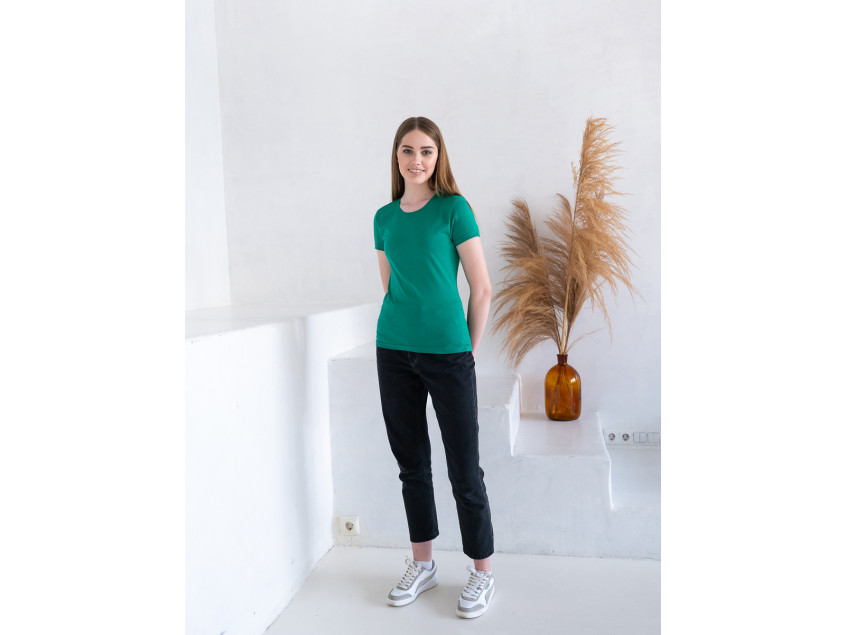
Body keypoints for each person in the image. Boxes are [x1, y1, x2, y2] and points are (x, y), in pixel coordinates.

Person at [373, 116, 495, 619]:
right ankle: (423, 564)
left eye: (426, 151)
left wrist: (467, 350)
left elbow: (482, 288)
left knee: (464, 467)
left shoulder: (454, 209)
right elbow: (390, 286)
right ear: (396, 156)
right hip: (393, 350)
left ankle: (482, 572)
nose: (416, 160)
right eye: (407, 150)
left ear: (438, 156)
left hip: (448, 353)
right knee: (411, 465)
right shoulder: (384, 217)